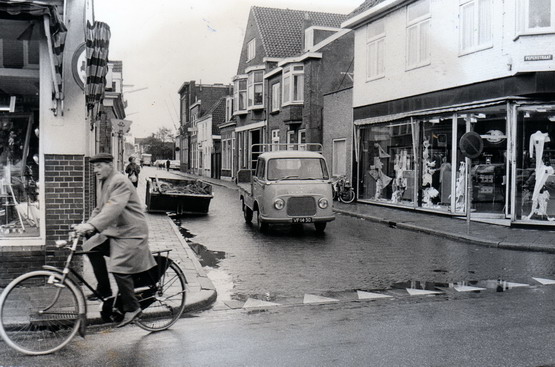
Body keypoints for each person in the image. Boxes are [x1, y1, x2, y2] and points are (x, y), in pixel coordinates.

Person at [75, 153, 156, 328]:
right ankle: (104, 289)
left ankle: (132, 308)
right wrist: (88, 225)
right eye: (93, 167)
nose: (95, 170)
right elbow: (99, 209)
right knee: (90, 246)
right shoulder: (103, 182)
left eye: (98, 166)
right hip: (116, 230)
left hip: (131, 232)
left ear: (109, 165)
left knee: (118, 266)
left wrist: (93, 226)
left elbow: (113, 208)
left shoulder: (119, 181)